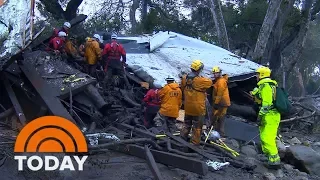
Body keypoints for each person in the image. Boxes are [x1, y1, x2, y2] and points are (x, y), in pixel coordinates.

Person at [252, 66, 281, 169]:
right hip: (268, 115)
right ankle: (267, 156)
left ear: (262, 75)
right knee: (263, 135)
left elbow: (267, 104)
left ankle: (275, 161)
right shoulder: (263, 86)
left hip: (271, 115)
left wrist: (260, 116)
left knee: (267, 138)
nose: (256, 76)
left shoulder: (266, 86)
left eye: (258, 74)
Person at [180, 60, 213, 145]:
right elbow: (210, 83)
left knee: (186, 123)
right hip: (198, 108)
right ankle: (194, 143)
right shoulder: (200, 80)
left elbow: (183, 87)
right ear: (199, 69)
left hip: (188, 107)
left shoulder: (184, 79)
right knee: (197, 127)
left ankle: (182, 138)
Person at [211, 66, 231, 137]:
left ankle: (221, 133)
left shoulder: (221, 81)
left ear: (219, 73)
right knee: (217, 116)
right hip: (221, 102)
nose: (215, 75)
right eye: (214, 73)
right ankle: (217, 131)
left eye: (216, 73)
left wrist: (216, 103)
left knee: (220, 117)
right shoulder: (218, 81)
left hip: (222, 102)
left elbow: (220, 93)